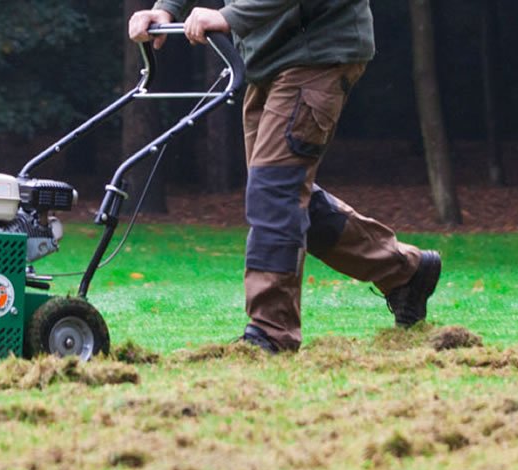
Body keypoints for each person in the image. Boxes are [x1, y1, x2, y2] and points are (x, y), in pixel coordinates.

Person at [129, 0, 442, 353]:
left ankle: (271, 332)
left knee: (275, 194)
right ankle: (404, 272)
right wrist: (165, 9)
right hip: (267, 60)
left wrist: (228, 17)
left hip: (315, 54)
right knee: (284, 196)